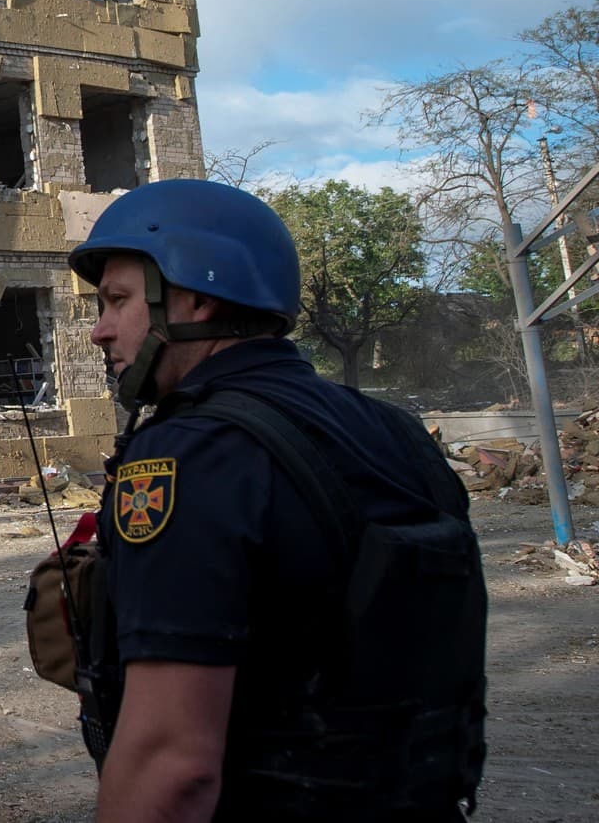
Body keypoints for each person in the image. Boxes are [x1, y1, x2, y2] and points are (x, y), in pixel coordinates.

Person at [63, 178, 486, 822]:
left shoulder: (190, 452)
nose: (101, 331)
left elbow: (171, 763)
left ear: (196, 297)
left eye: (117, 301)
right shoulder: (393, 429)